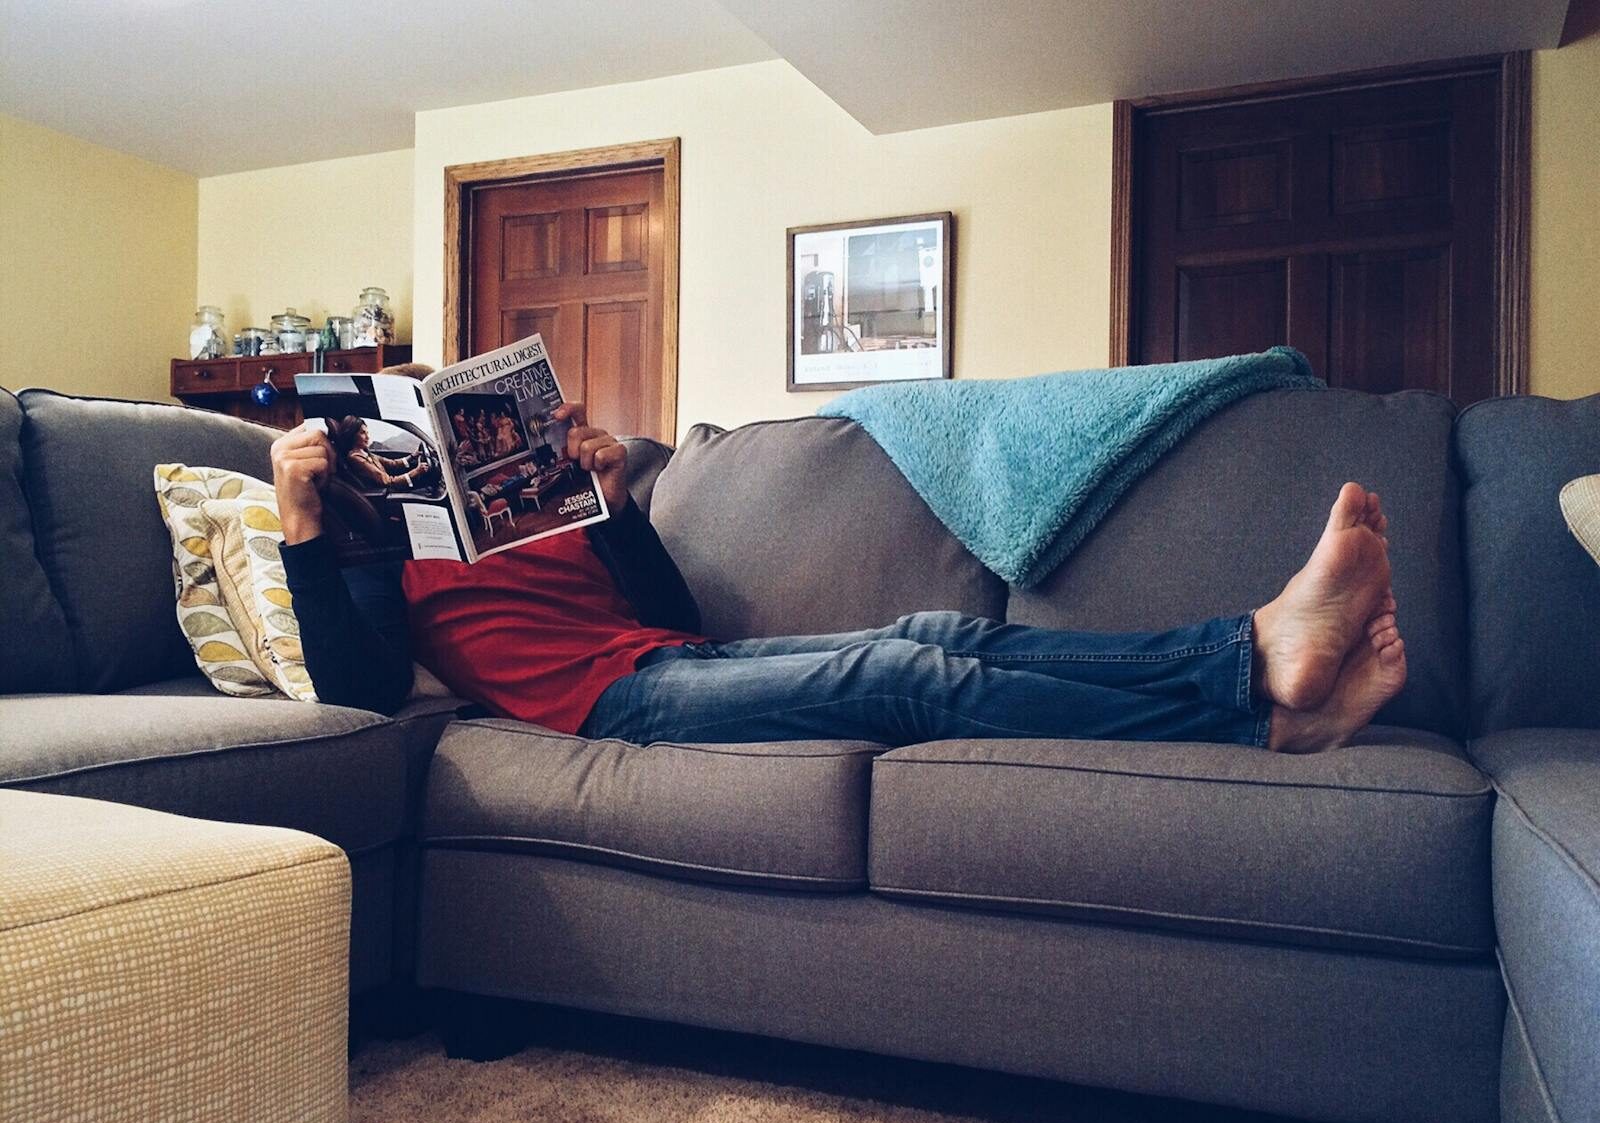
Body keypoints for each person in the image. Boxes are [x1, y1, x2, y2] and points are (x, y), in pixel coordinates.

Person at [273, 395, 1405, 754]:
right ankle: (1253, 697)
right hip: (612, 708)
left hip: (672, 659)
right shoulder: (384, 559)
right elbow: (360, 690)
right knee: (902, 677)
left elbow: (667, 614)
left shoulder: (550, 517)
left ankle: (1252, 664)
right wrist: (303, 526)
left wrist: (614, 501)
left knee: (941, 634)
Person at [329, 415, 430, 490]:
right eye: (363, 433)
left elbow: (392, 463)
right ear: (352, 434)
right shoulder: (356, 458)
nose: (368, 437)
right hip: (386, 495)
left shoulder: (365, 452)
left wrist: (413, 456)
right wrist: (416, 472)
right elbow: (388, 481)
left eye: (367, 432)